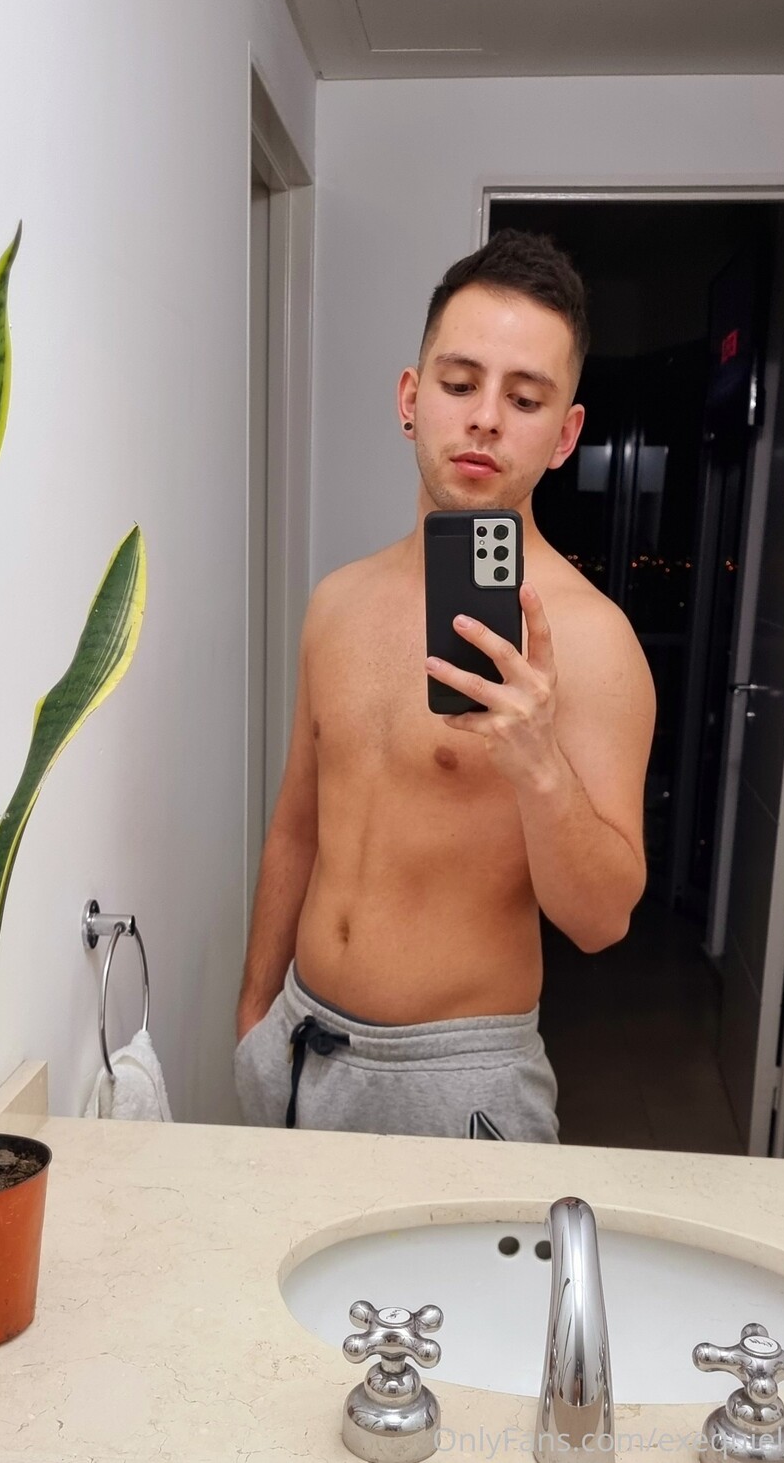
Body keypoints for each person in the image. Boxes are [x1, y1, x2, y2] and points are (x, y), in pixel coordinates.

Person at [234, 228, 656, 1142]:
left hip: (458, 1082)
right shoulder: (337, 602)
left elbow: (602, 920)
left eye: (525, 398)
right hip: (299, 1044)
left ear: (565, 435)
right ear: (411, 399)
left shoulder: (593, 641)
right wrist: (253, 1020)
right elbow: (297, 826)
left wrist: (540, 763)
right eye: (460, 383)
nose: (486, 418)